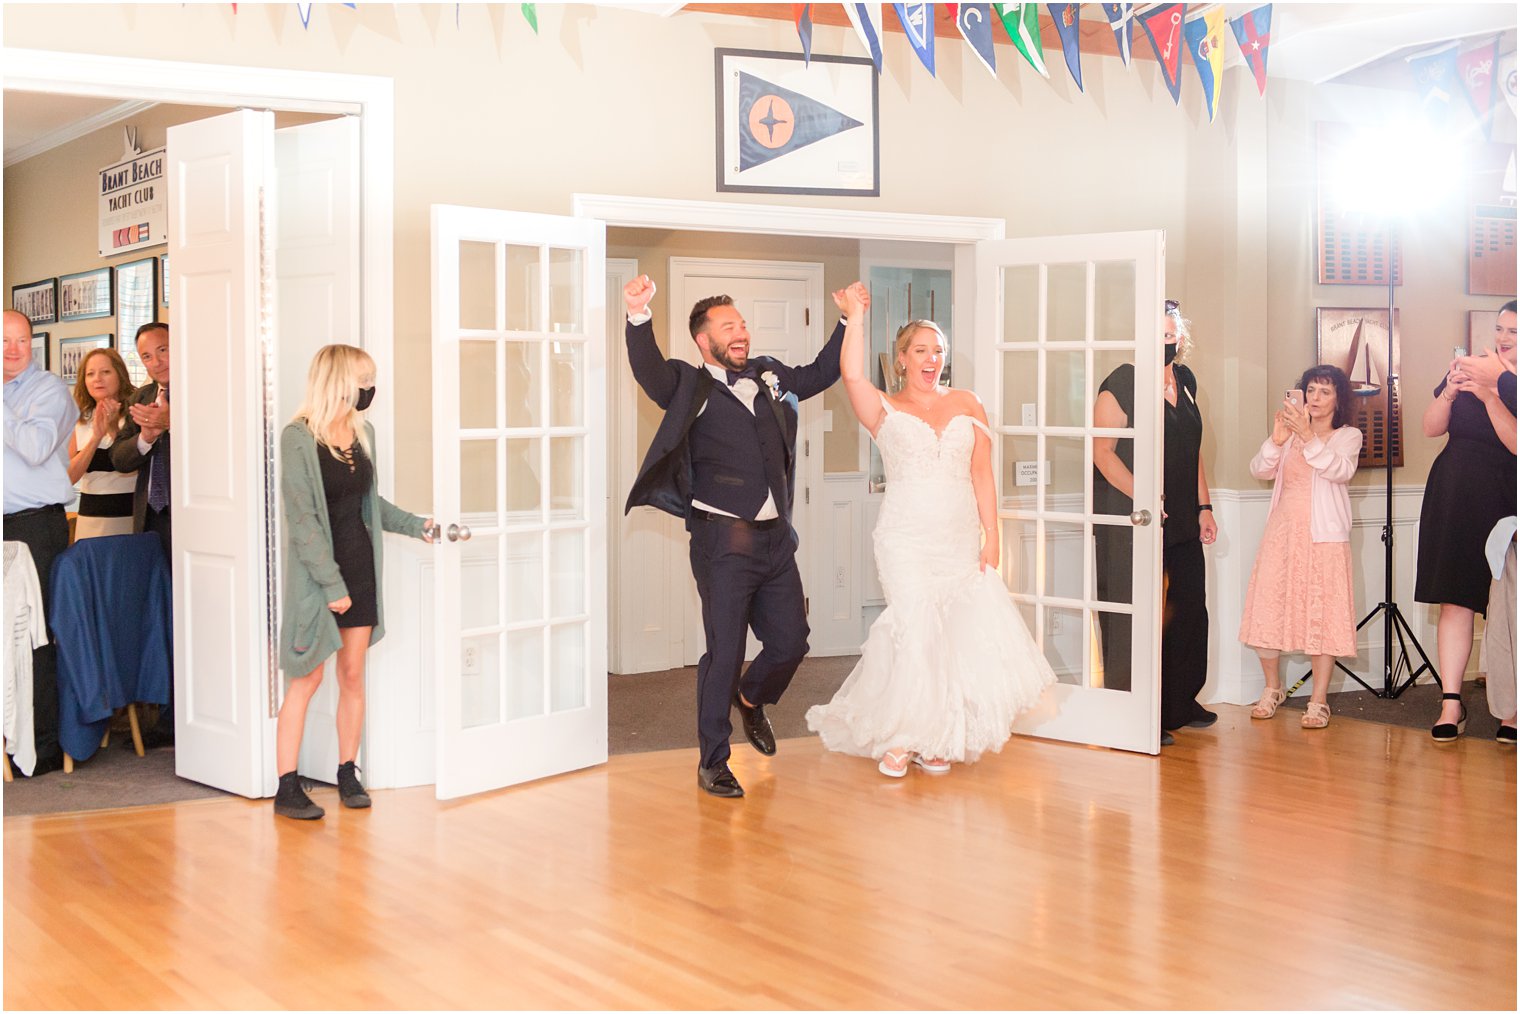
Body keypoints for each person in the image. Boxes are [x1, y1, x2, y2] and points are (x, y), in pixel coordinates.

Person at [805, 286, 1055, 776]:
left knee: (951, 637)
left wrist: (993, 534)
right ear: (901, 360)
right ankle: (902, 736)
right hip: (904, 537)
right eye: (921, 350)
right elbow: (850, 372)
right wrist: (855, 317)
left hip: (958, 538)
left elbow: (982, 472)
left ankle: (936, 736)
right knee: (916, 630)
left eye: (938, 351)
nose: (932, 359)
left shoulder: (968, 402)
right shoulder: (883, 408)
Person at [622, 275, 844, 798]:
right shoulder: (686, 384)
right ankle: (713, 761)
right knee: (724, 651)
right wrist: (637, 316)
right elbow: (648, 370)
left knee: (792, 641)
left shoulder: (768, 375)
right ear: (704, 341)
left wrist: (845, 323)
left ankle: (750, 698)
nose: (740, 332)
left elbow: (819, 372)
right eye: (728, 327)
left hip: (775, 542)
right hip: (722, 542)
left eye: (742, 323)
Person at [274, 344, 434, 820]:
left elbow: (370, 504)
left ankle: (347, 772)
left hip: (360, 568)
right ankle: (286, 786)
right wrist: (331, 584)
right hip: (319, 578)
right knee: (307, 678)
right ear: (339, 381)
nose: (370, 389)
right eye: (364, 379)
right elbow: (302, 520)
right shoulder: (297, 438)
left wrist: (416, 524)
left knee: (352, 676)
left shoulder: (363, 435)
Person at [1091, 299, 1219, 746]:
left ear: (1179, 338)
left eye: (1171, 335)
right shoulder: (1122, 383)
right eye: (1157, 336)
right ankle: (1135, 711)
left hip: (1183, 514)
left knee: (1187, 610)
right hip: (1137, 517)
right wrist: (1146, 497)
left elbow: (1192, 449)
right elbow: (1102, 453)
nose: (1165, 343)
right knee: (1138, 615)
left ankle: (1178, 702)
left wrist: (1204, 507)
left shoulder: (1185, 380)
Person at [1238, 366, 1362, 729]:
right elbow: (1260, 470)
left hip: (1324, 537)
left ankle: (1319, 700)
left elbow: (1339, 470)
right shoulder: (1289, 435)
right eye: (1310, 391)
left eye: (1325, 392)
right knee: (1269, 606)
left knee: (1321, 613)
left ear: (1339, 399)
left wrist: (1308, 436)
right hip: (1283, 531)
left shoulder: (1347, 435)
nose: (1315, 399)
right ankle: (1272, 688)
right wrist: (1277, 440)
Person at [1417, 299, 1517, 742]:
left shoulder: (1507, 383)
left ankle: (1511, 708)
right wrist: (1451, 392)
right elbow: (1431, 427)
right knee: (1454, 598)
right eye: (1500, 328)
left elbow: (1515, 445)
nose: (1503, 337)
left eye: (1513, 331)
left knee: (1508, 605)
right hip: (1455, 489)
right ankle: (1450, 704)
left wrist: (1492, 392)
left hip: (1505, 493)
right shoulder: (1472, 364)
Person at [3, 308, 80, 775]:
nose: (13, 349)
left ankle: (44, 744)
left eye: (21, 340)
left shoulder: (47, 390)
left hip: (32, 528)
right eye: (3, 340)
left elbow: (33, 447)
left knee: (34, 636)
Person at [111, 322, 173, 559]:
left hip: (190, 515)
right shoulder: (140, 397)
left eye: (163, 350)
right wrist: (146, 437)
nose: (156, 362)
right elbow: (119, 459)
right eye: (146, 356)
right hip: (148, 517)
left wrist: (171, 422)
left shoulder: (201, 391)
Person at [67, 347, 138, 539]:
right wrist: (95, 438)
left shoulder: (135, 414)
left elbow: (135, 464)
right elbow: (68, 478)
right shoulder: (78, 420)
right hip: (90, 519)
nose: (97, 378)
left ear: (119, 375)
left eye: (105, 372)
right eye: (90, 374)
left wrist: (113, 428)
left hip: (129, 517)